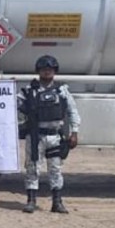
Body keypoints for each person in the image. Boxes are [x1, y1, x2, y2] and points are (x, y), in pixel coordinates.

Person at [18, 54, 80, 214]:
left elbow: (72, 111)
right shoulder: (28, 91)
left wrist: (74, 132)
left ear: (55, 71)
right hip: (36, 136)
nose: (47, 72)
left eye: (50, 69)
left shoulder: (62, 91)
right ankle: (31, 201)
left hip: (55, 136)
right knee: (32, 168)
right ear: (38, 71)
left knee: (55, 169)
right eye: (44, 69)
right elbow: (12, 106)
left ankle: (57, 203)